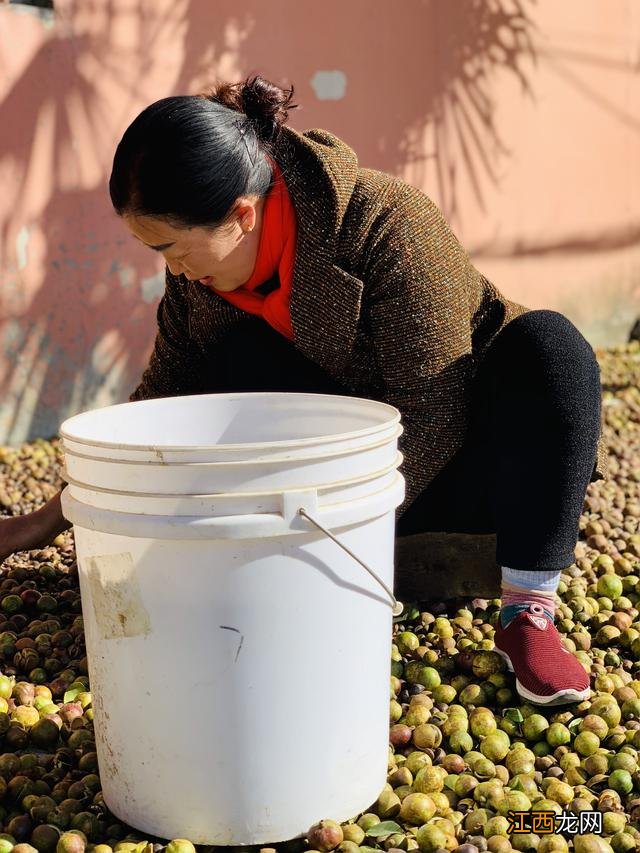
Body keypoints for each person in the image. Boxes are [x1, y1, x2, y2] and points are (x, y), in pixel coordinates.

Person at [1, 75, 607, 706]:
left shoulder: (386, 223)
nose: (172, 268)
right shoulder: (199, 282)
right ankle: (273, 575)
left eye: (171, 247)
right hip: (319, 511)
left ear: (241, 213)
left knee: (551, 349)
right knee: (224, 365)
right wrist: (50, 518)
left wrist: (312, 530)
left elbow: (437, 412)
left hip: (451, 478)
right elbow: (158, 406)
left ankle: (526, 612)